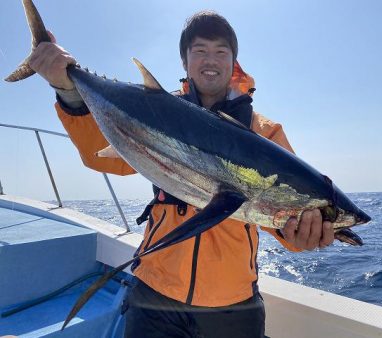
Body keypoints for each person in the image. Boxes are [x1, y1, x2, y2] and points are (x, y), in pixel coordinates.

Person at [29, 10, 334, 338]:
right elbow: (102, 157)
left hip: (233, 303)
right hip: (155, 291)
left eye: (221, 51)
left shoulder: (265, 133)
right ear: (185, 61)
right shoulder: (156, 107)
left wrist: (302, 235)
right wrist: (70, 92)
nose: (210, 59)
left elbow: (285, 210)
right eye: (199, 51)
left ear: (234, 62)